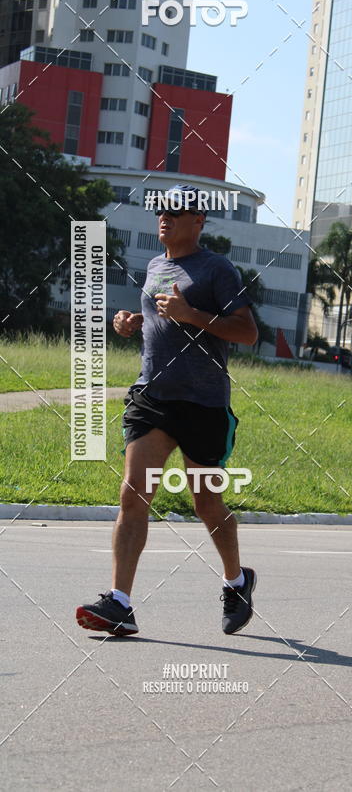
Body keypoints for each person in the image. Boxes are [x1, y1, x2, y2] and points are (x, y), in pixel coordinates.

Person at [76, 185, 259, 635]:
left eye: (176, 211)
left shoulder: (217, 269)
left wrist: (191, 314)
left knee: (206, 503)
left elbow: (247, 332)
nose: (165, 217)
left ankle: (237, 581)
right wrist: (132, 323)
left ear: (198, 220)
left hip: (203, 404)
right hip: (152, 397)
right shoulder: (156, 266)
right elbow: (162, 320)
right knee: (133, 492)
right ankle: (119, 603)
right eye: (162, 210)